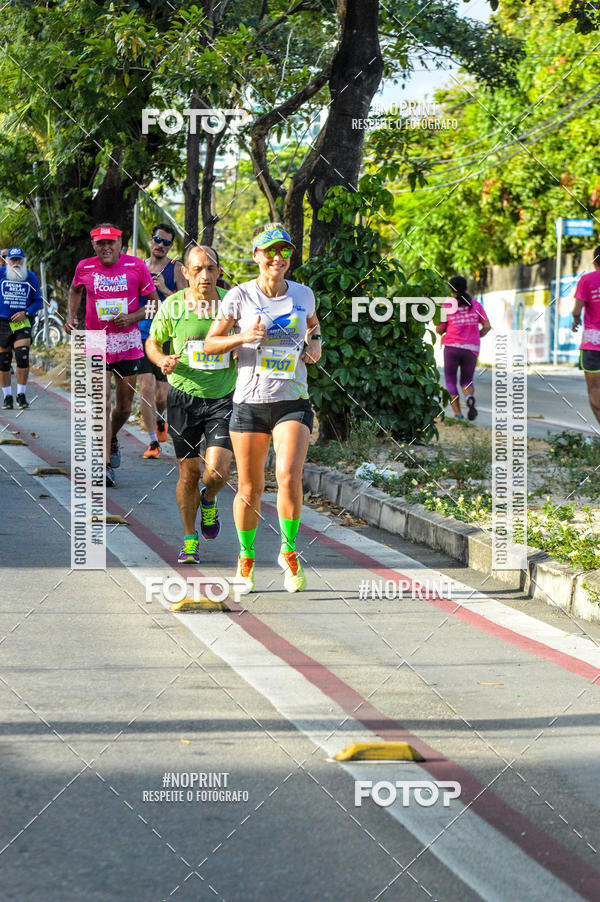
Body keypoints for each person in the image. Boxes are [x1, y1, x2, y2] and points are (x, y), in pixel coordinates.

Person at [204, 223, 321, 594]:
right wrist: (243, 337)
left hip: (292, 400)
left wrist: (315, 345)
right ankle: (247, 557)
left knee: (288, 476)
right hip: (250, 402)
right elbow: (210, 344)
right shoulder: (238, 297)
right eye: (269, 251)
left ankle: (289, 554)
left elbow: (314, 327)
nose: (277, 258)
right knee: (251, 488)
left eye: (284, 251)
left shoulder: (304, 294)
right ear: (256, 255)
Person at [145, 245, 235, 564]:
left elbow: (247, 339)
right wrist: (161, 360)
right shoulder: (173, 307)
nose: (205, 276)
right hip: (183, 396)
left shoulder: (231, 304)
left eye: (211, 269)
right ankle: (189, 537)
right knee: (188, 473)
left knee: (216, 472)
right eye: (197, 269)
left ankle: (208, 500)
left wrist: (240, 349)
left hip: (223, 397)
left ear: (219, 272)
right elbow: (153, 342)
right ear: (186, 272)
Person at [65, 223, 159, 487]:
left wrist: (132, 316)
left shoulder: (136, 266)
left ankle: (112, 437)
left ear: (120, 243)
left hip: (128, 340)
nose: (105, 247)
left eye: (111, 243)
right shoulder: (84, 266)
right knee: (101, 404)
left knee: (124, 407)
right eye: (100, 243)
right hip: (95, 339)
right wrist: (72, 317)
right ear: (93, 245)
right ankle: (104, 465)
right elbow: (75, 290)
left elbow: (154, 303)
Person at [138, 223, 187, 459]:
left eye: (166, 242)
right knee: (146, 387)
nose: (161, 245)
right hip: (141, 334)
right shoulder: (138, 266)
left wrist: (165, 290)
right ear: (151, 239)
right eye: (158, 240)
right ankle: (152, 442)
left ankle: (160, 419)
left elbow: (188, 301)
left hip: (166, 336)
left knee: (162, 395)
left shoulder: (175, 268)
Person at [436, 275, 491, 421]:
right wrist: (476, 336)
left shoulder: (447, 306)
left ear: (450, 289)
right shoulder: (476, 305)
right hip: (471, 348)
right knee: (467, 380)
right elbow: (487, 326)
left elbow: (440, 330)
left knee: (450, 380)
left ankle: (458, 415)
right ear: (466, 287)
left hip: (452, 347)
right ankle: (469, 397)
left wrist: (441, 328)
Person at [0, 248, 43, 410]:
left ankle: (21, 394)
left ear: (24, 261)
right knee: (3, 361)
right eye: (13, 260)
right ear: (7, 261)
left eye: (19, 260)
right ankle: (7, 396)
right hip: (3, 322)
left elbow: (38, 301)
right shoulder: (1, 274)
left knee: (22, 355)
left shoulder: (30, 277)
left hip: (22, 322)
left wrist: (26, 313)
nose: (16, 263)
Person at [572, 246, 600, 424]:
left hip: (593, 344)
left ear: (595, 260)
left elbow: (576, 310)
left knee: (595, 391)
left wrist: (577, 320)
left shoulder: (587, 280)